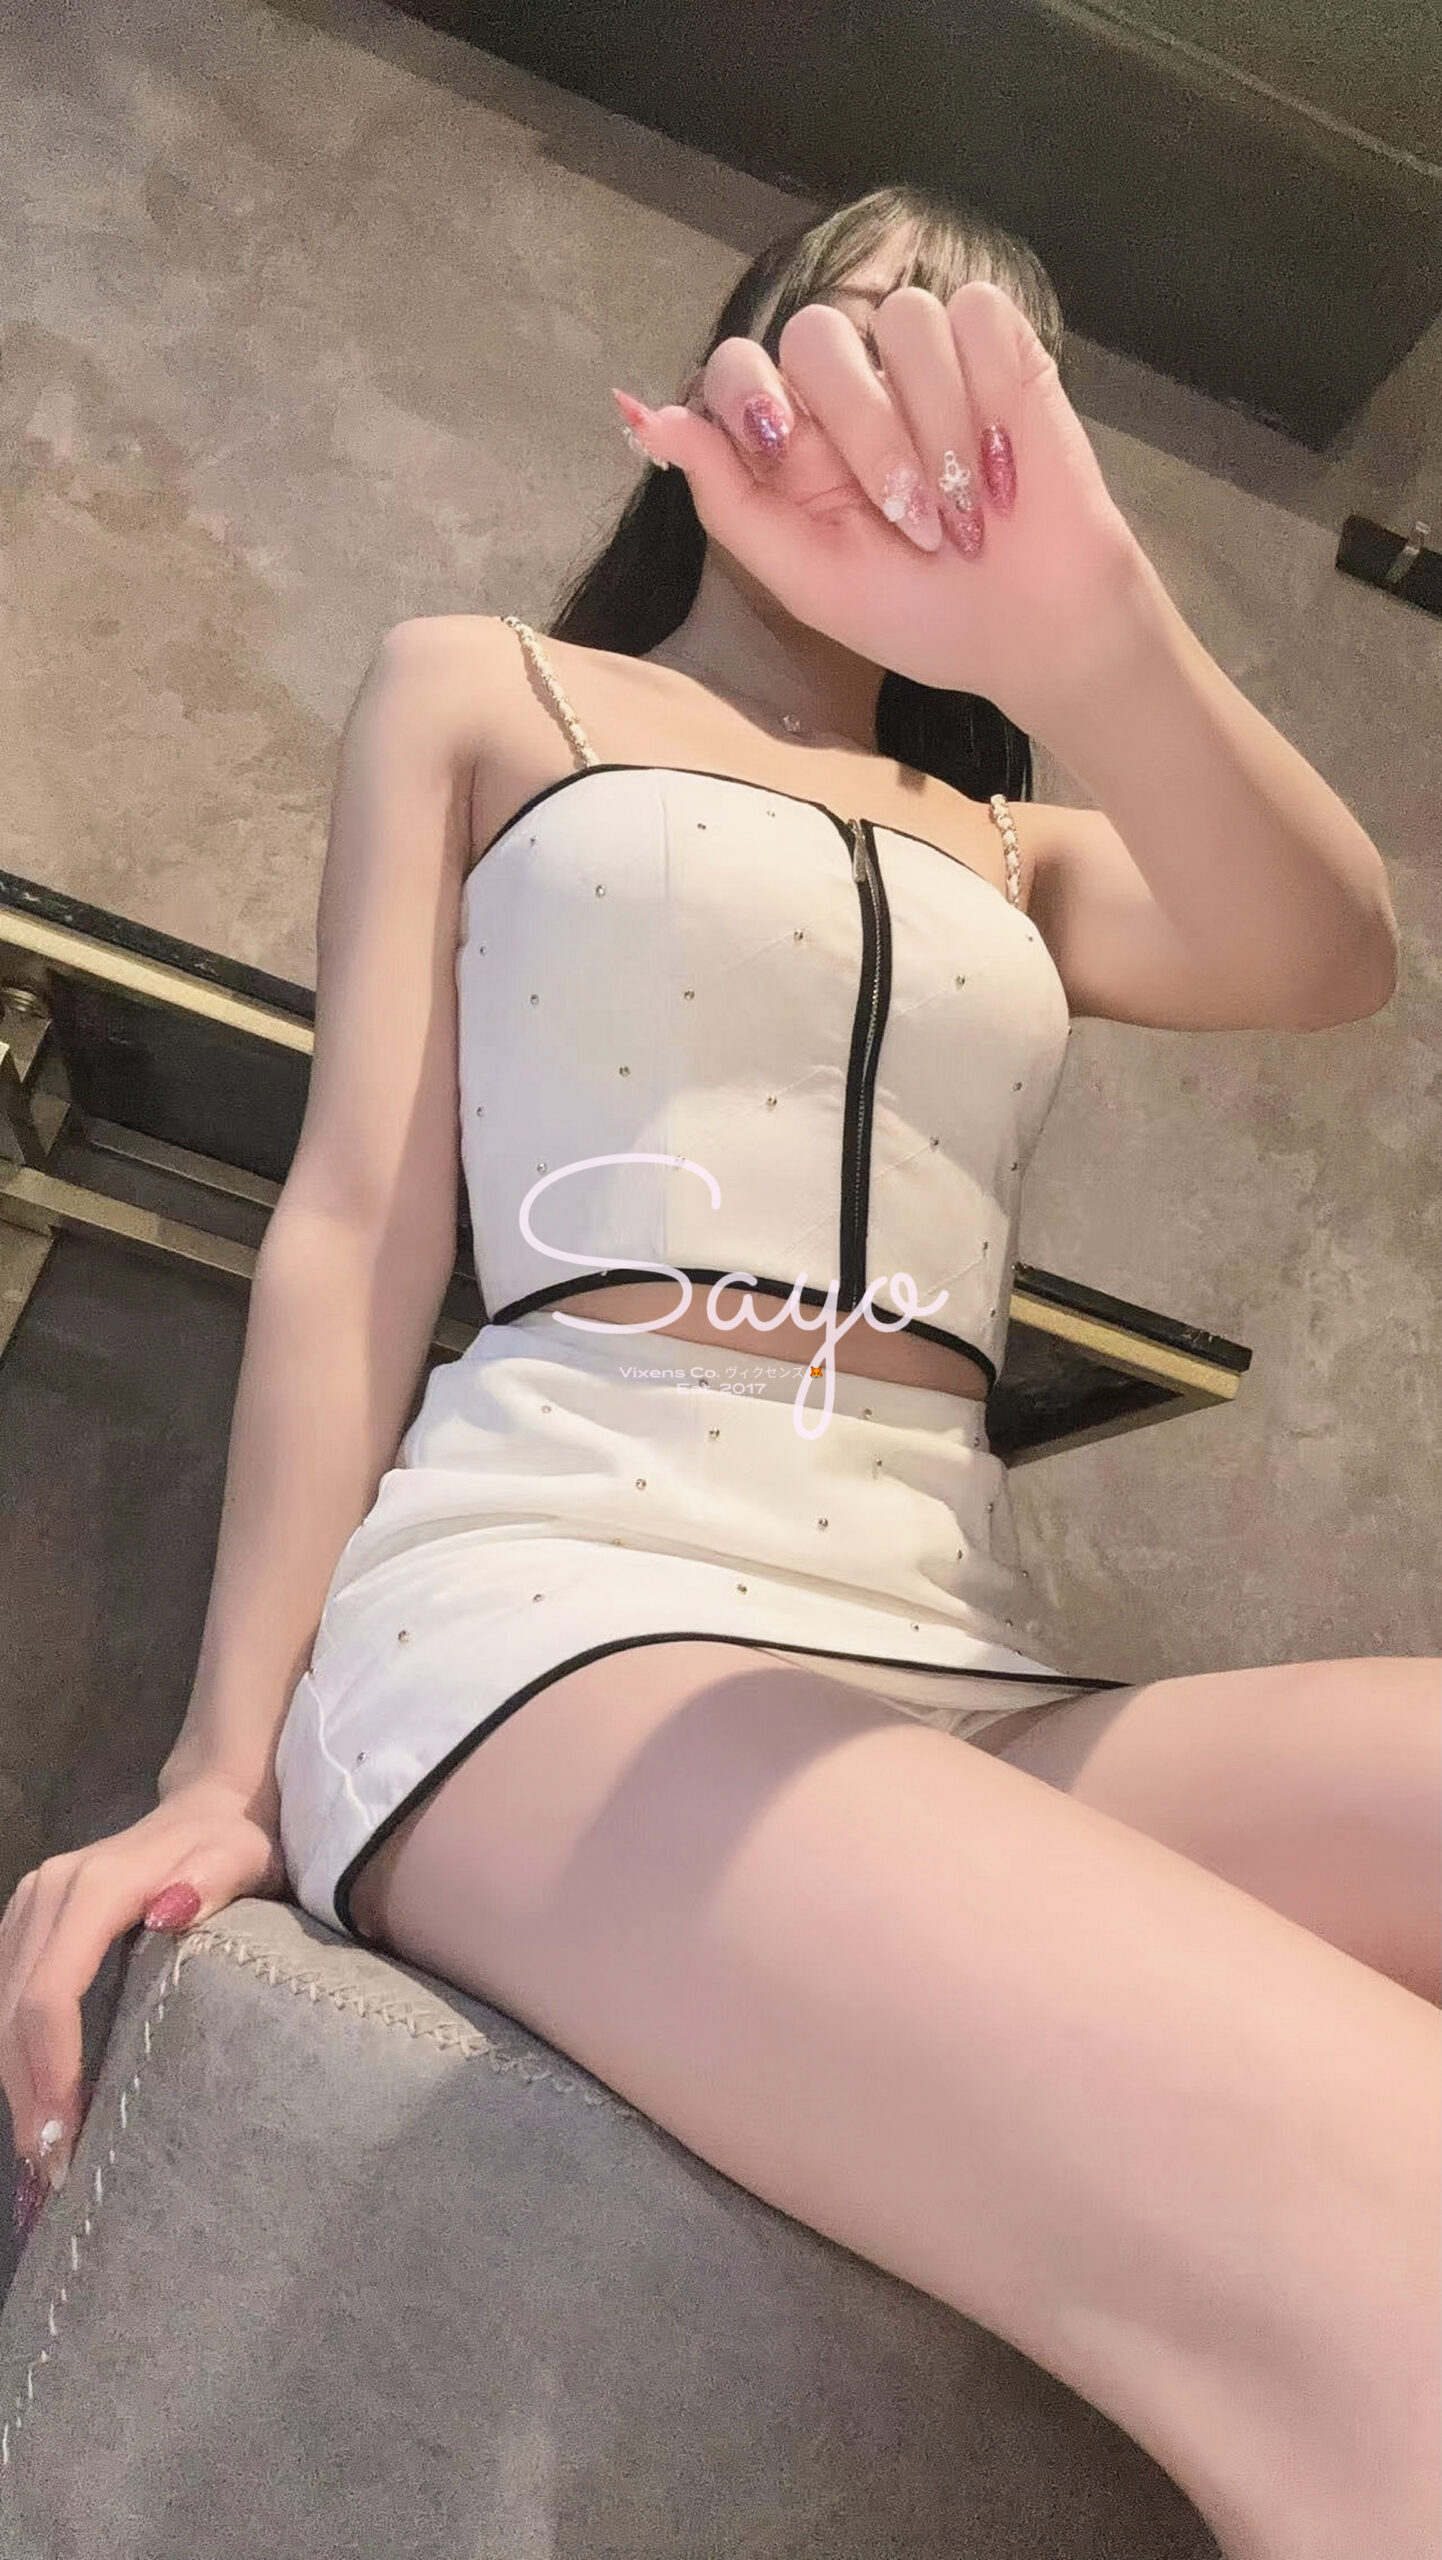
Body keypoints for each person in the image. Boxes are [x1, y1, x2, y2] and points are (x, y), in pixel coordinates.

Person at [3, 184, 1437, 2560]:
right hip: (560, 1607)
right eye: (864, 332)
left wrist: (1069, 619)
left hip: (955, 1656)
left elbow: (1329, 948)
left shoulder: (1015, 841)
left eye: (978, 377)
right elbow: (358, 1222)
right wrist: (217, 1764)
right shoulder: (486, 690)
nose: (902, 399)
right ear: (728, 373)